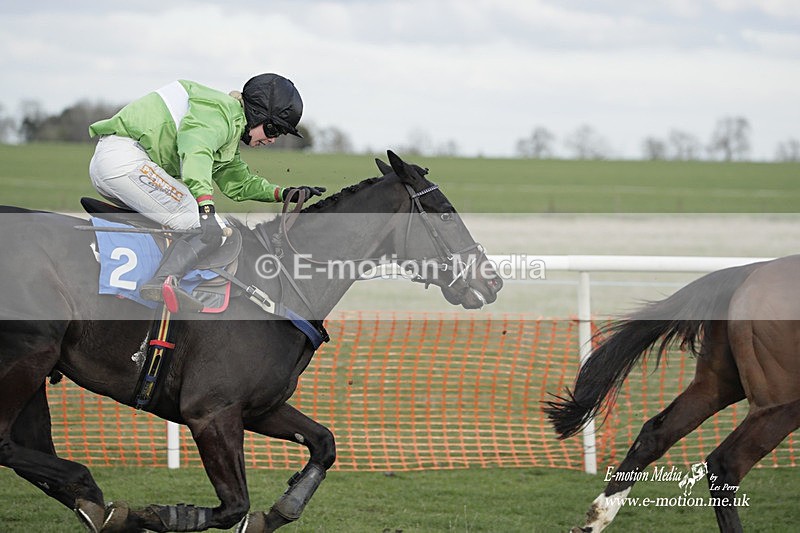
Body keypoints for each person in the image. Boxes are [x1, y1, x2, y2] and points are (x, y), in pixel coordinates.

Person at [88, 73, 325, 312]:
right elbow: (196, 152)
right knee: (209, 226)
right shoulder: (220, 112)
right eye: (273, 130)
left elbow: (238, 181)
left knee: (199, 221)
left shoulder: (228, 128)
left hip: (121, 162)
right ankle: (161, 282)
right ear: (257, 114)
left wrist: (283, 193)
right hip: (123, 160)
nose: (273, 140)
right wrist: (205, 207)